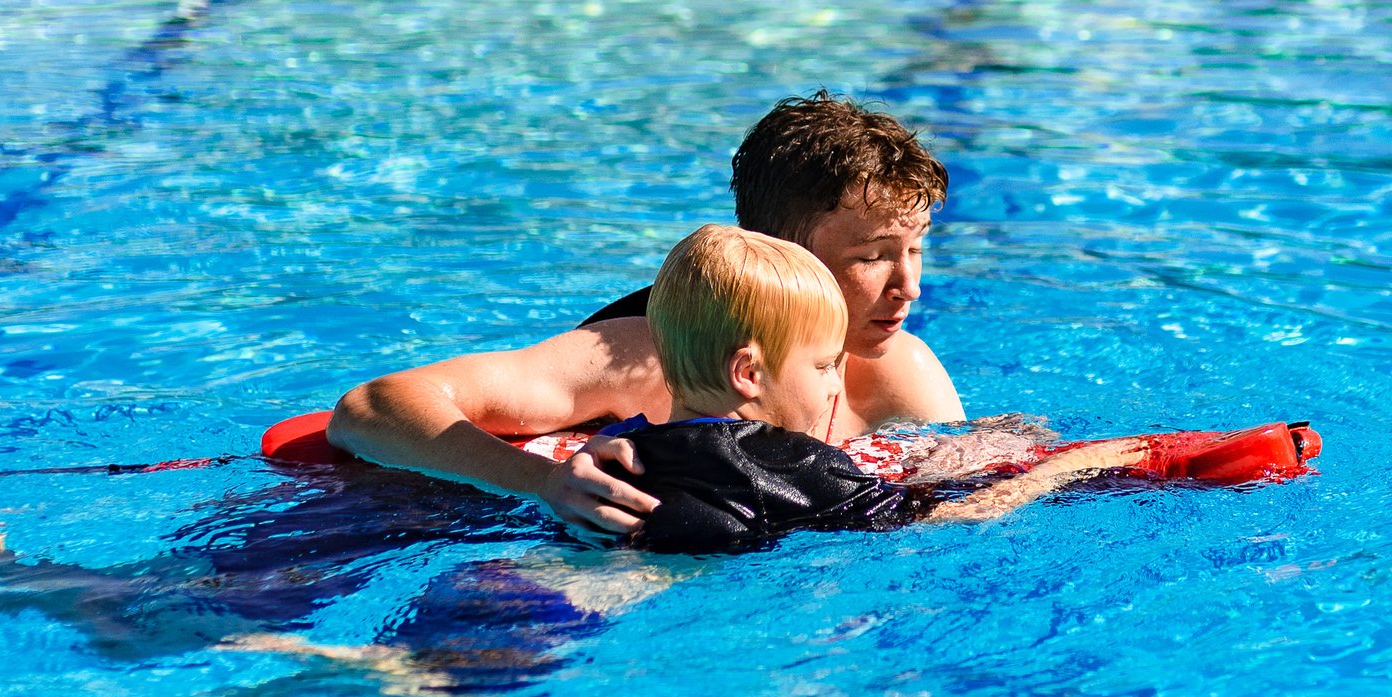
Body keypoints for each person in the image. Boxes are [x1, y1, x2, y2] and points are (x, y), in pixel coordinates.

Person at [328, 93, 965, 539]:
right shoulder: (643, 354)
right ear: (776, 254)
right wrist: (542, 483)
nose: (909, 286)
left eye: (915, 250)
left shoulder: (898, 371)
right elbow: (370, 409)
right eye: (872, 257)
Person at [614, 225, 1136, 553]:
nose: (835, 383)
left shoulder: (621, 451)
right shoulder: (795, 463)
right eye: (824, 366)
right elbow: (951, 518)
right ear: (748, 374)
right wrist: (1062, 468)